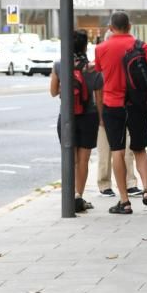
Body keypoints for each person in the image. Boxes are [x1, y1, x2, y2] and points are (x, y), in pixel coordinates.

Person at [93, 11, 147, 214]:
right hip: (137, 104)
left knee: (118, 151)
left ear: (110, 28)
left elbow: (99, 73)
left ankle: (124, 201)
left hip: (113, 104)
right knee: (139, 149)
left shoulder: (101, 48)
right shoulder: (141, 46)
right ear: (130, 26)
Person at [49, 29, 102, 213]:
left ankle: (69, 196)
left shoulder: (59, 65)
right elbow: (98, 96)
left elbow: (53, 92)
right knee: (83, 160)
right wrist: (102, 120)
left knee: (69, 158)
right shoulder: (93, 68)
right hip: (89, 116)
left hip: (66, 117)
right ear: (85, 46)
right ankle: (79, 195)